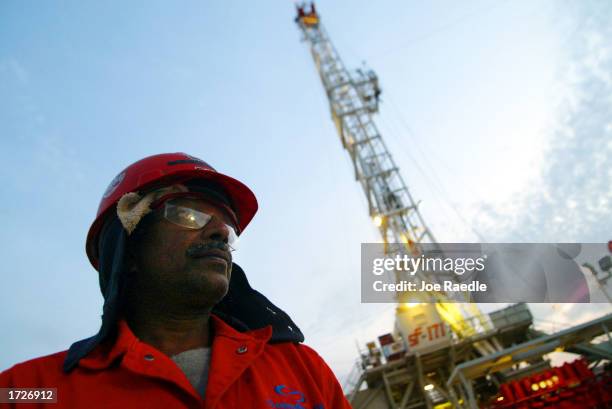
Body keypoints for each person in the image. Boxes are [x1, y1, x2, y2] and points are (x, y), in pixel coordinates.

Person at [0, 153, 352, 409]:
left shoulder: (303, 370)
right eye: (187, 213)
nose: (218, 231)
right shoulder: (27, 391)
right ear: (127, 250)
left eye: (226, 226)